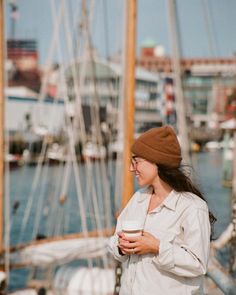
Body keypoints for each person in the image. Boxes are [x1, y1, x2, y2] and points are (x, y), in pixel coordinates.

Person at [108, 125, 216, 295]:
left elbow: (198, 264)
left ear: (156, 161)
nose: (131, 168)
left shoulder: (193, 207)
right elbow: (114, 241)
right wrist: (121, 247)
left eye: (136, 161)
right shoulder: (138, 199)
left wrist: (157, 247)